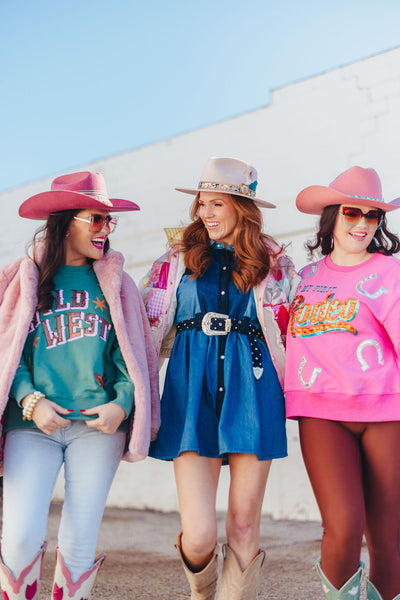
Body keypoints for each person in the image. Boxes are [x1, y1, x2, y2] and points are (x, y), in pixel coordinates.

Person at [140, 156, 298, 600]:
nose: (205, 213)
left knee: (244, 526)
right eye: (201, 204)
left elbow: (296, 331)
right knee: (200, 536)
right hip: (190, 390)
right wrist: (137, 389)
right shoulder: (175, 259)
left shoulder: (275, 262)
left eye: (216, 204)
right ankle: (201, 592)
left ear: (241, 209)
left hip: (255, 385)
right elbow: (144, 325)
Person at [0, 171, 160, 600]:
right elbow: (6, 354)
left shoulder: (116, 284)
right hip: (33, 426)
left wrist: (122, 404)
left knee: (78, 544)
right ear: (66, 220)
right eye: (97, 219)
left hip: (97, 427)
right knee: (18, 539)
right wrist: (30, 400)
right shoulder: (23, 277)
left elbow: (133, 357)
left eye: (110, 221)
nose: (106, 229)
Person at [284, 166, 400, 600]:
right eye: (354, 212)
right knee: (343, 527)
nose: (364, 224)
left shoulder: (390, 273)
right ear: (332, 215)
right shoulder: (304, 279)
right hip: (320, 414)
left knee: (388, 536)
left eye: (373, 216)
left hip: (387, 412)